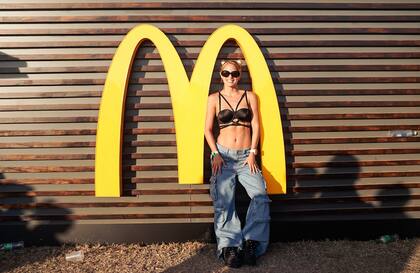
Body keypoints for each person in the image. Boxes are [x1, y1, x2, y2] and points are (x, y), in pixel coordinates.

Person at [204, 60, 271, 268]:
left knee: (260, 195)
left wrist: (253, 152)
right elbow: (207, 129)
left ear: (240, 75)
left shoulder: (250, 96)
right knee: (224, 202)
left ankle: (252, 243)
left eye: (234, 73)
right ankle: (230, 247)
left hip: (245, 157)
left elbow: (256, 125)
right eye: (226, 73)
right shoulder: (214, 98)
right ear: (221, 75)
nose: (230, 77)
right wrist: (215, 153)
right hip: (223, 156)